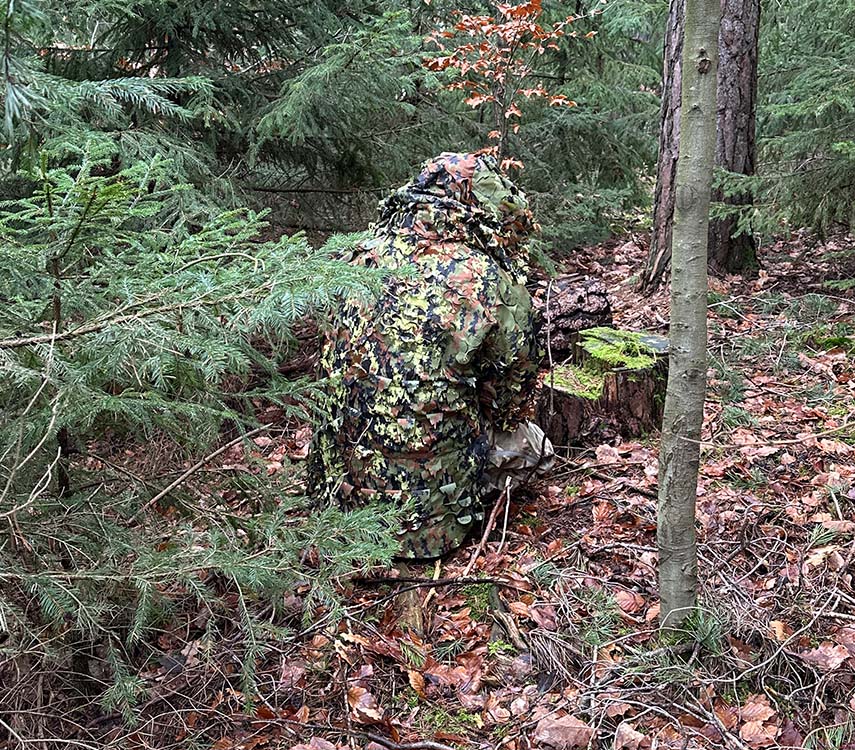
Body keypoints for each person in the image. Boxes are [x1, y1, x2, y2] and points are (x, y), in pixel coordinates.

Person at [308, 152, 553, 558]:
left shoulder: (357, 256)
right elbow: (517, 380)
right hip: (431, 525)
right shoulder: (486, 277)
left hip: (339, 498)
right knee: (535, 446)